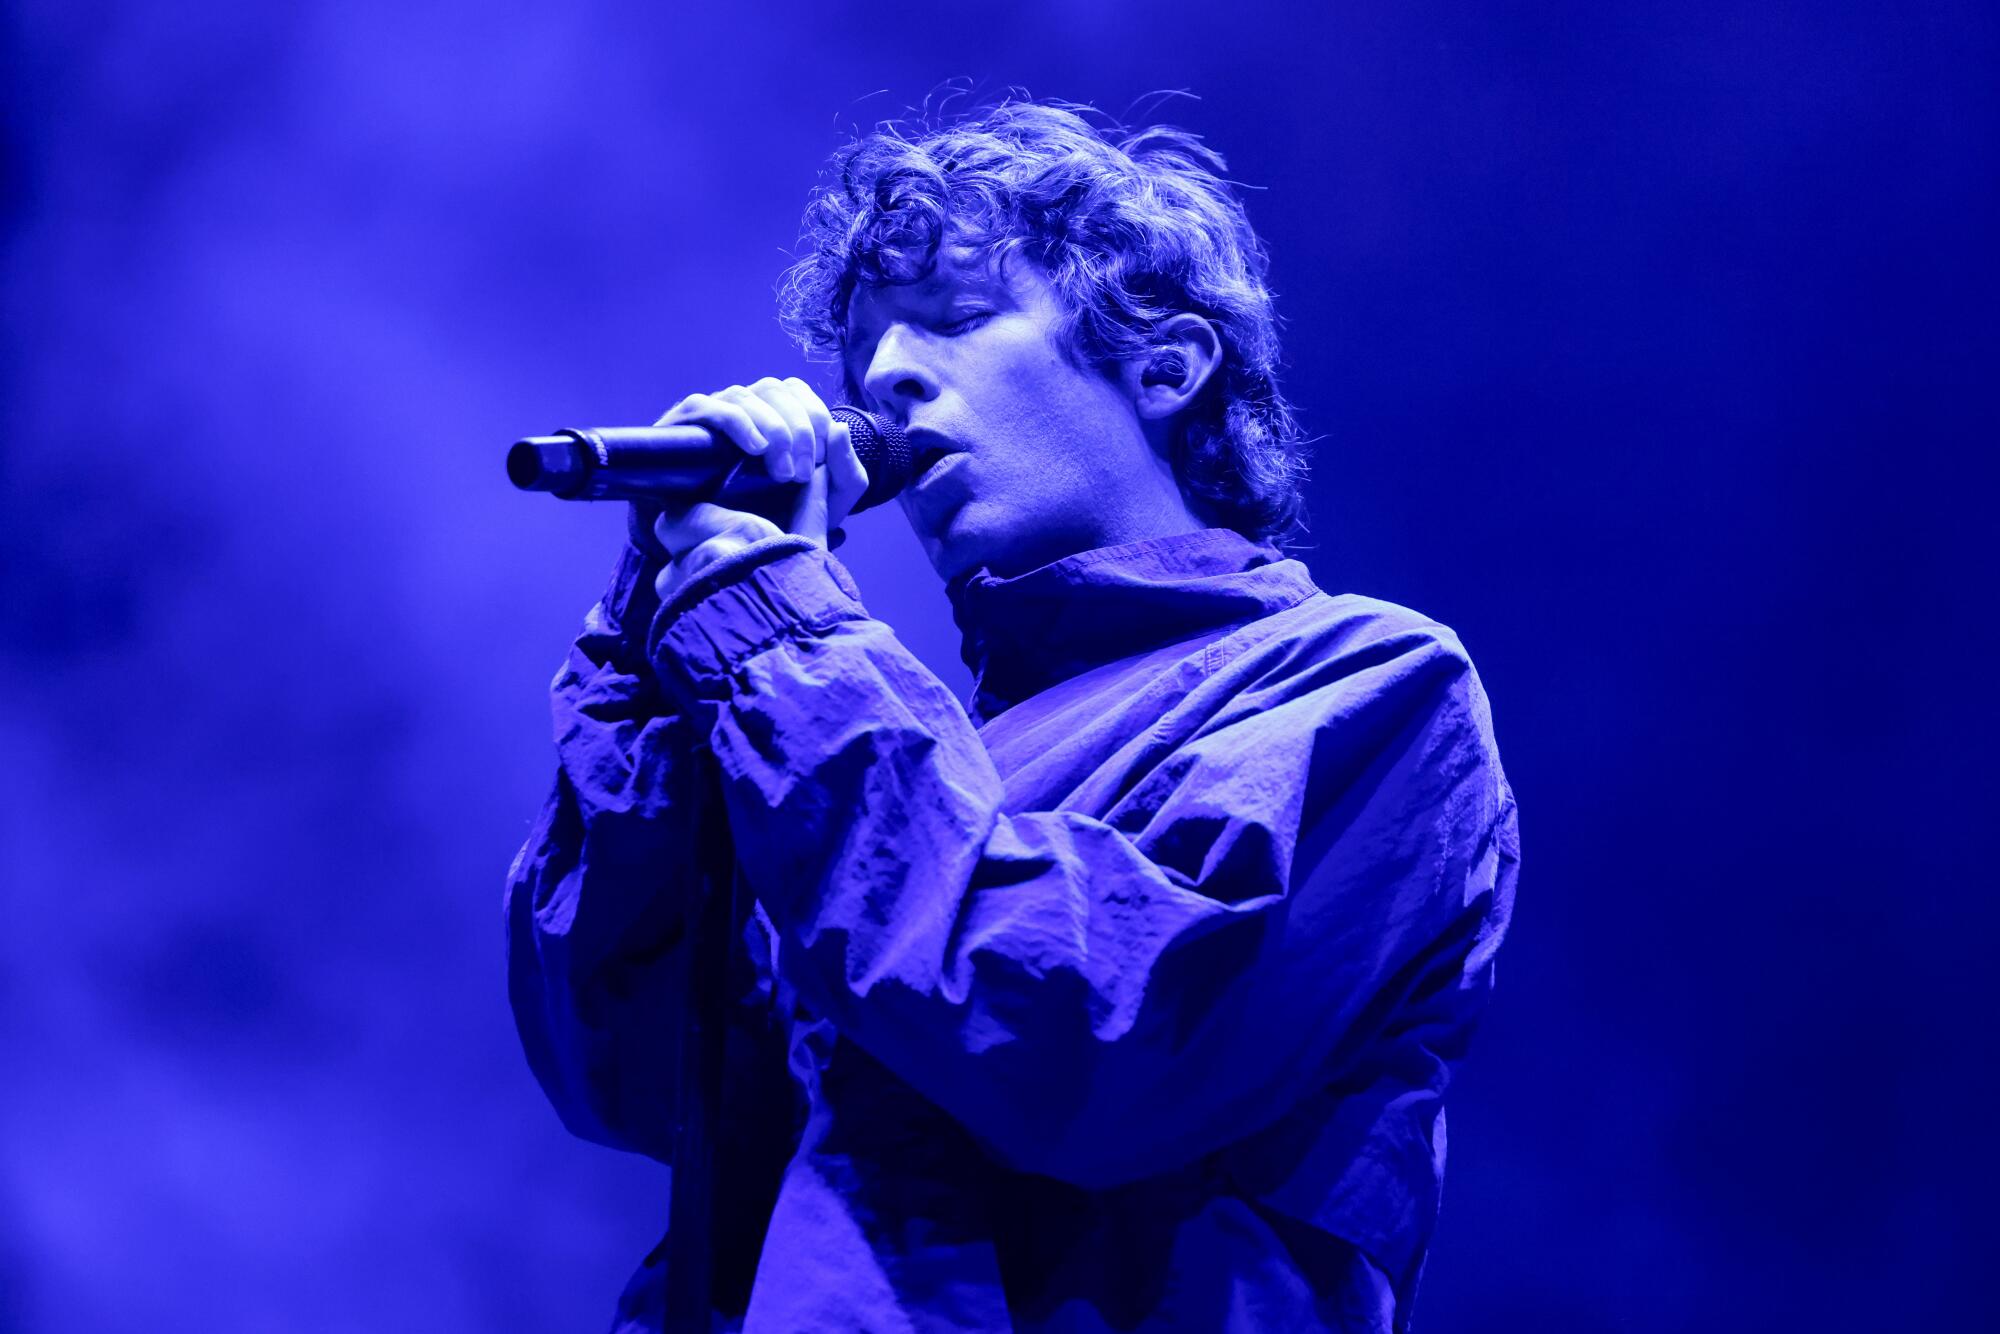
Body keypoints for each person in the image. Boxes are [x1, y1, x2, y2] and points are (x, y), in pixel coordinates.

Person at [505, 100, 1519, 1333]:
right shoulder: (887, 744)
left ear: (1164, 364)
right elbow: (627, 1071)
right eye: (867, 355)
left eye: (956, 319)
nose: (883, 379)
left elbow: (1092, 1043)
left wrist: (776, 637)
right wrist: (659, 643)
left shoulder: (1364, 682)